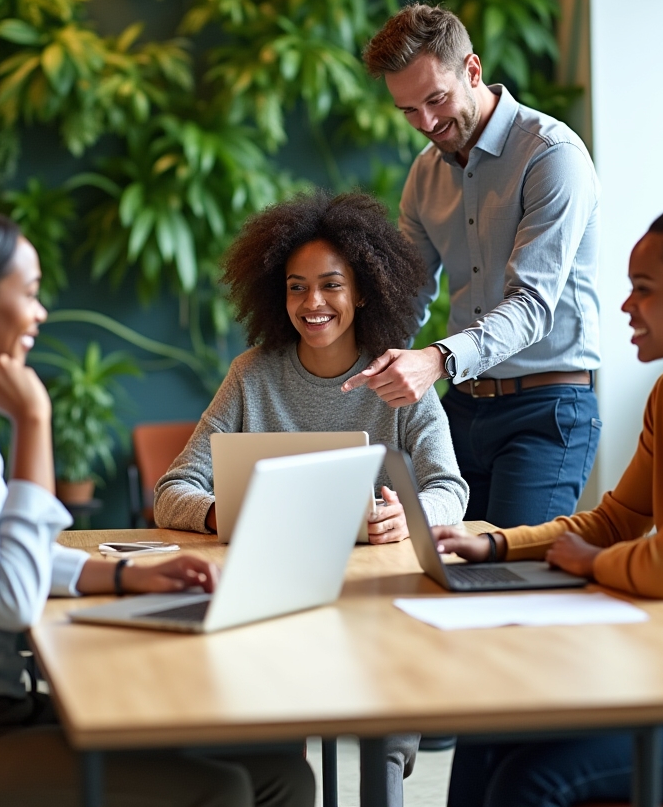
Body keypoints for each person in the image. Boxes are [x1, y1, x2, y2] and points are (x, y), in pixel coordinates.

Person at [0, 201, 314, 807]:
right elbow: (11, 592)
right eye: (28, 294)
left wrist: (125, 574)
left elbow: (4, 550)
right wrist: (33, 421)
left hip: (0, 711)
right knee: (221, 791)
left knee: (282, 773)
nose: (40, 313)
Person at [433, 155, 663, 807]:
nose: (626, 304)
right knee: (491, 722)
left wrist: (594, 561)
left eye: (644, 287)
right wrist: (495, 545)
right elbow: (611, 522)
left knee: (539, 779)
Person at [153, 191, 468, 807]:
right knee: (268, 732)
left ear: (364, 291)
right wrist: (224, 513)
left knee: (386, 697)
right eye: (297, 287)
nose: (312, 303)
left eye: (331, 285)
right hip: (275, 594)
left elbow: (448, 489)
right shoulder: (252, 374)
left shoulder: (398, 378)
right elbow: (173, 491)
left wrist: (408, 517)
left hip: (374, 597)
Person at [345, 4, 601, 528]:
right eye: (409, 111)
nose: (428, 123)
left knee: (508, 582)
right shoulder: (424, 175)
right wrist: (346, 363)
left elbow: (531, 307)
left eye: (436, 100)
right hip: (461, 410)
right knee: (440, 572)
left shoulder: (551, 155)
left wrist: (435, 360)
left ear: (473, 70)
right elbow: (406, 297)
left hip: (547, 410)